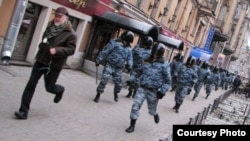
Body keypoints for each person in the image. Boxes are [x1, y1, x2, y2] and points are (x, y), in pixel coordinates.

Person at [14, 7, 77, 119]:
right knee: (31, 84)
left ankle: (59, 90)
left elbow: (71, 50)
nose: (57, 18)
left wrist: (57, 50)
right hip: (41, 60)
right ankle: (23, 111)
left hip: (53, 65)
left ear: (66, 18)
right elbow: (44, 40)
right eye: (56, 15)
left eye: (60, 16)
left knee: (49, 88)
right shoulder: (50, 26)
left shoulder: (71, 33)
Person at [125, 43, 171, 133]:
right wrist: (131, 79)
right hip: (142, 88)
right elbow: (138, 71)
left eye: (156, 54)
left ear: (160, 53)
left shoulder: (164, 65)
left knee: (151, 110)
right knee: (135, 106)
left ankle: (155, 114)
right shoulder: (146, 60)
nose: (154, 55)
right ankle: (132, 125)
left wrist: (162, 91)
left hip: (154, 92)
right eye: (154, 53)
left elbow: (168, 81)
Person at [93, 30, 134, 103]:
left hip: (119, 69)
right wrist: (98, 59)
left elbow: (130, 58)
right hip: (110, 65)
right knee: (104, 80)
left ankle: (115, 93)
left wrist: (130, 65)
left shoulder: (129, 49)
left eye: (128, 42)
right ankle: (98, 94)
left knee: (118, 84)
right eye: (125, 41)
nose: (126, 43)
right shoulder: (115, 43)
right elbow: (105, 51)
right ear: (123, 38)